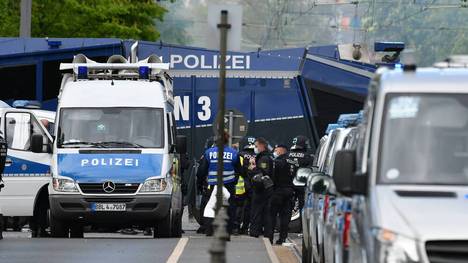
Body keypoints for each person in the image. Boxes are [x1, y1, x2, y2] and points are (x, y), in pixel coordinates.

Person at [197, 132, 242, 236]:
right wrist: (234, 180)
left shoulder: (208, 153)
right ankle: (229, 230)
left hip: (214, 185)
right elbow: (239, 170)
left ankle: (209, 230)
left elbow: (201, 171)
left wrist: (200, 184)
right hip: (228, 184)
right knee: (230, 206)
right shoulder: (234, 153)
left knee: (210, 206)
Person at [265, 144, 294, 244]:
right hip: (289, 191)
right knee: (285, 217)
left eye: (276, 150)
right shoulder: (292, 161)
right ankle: (282, 238)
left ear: (281, 151)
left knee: (272, 215)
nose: (275, 152)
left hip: (277, 191)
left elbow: (271, 176)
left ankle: (269, 237)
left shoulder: (276, 162)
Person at [248, 137, 274, 238]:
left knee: (257, 211)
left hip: (261, 189)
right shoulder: (267, 156)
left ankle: (255, 232)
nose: (255, 148)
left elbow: (262, 174)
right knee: (265, 212)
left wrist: (252, 168)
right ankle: (264, 232)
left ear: (262, 146)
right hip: (265, 189)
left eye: (256, 146)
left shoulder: (264, 158)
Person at [233, 136, 256, 235]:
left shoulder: (240, 155)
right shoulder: (256, 155)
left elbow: (239, 170)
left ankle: (236, 227)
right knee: (249, 208)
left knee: (239, 207)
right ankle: (245, 228)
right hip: (253, 184)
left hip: (241, 185)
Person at [287, 135, 314, 215]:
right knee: (303, 207)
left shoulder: (287, 155)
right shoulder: (308, 157)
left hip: (288, 185)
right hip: (302, 186)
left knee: (287, 208)